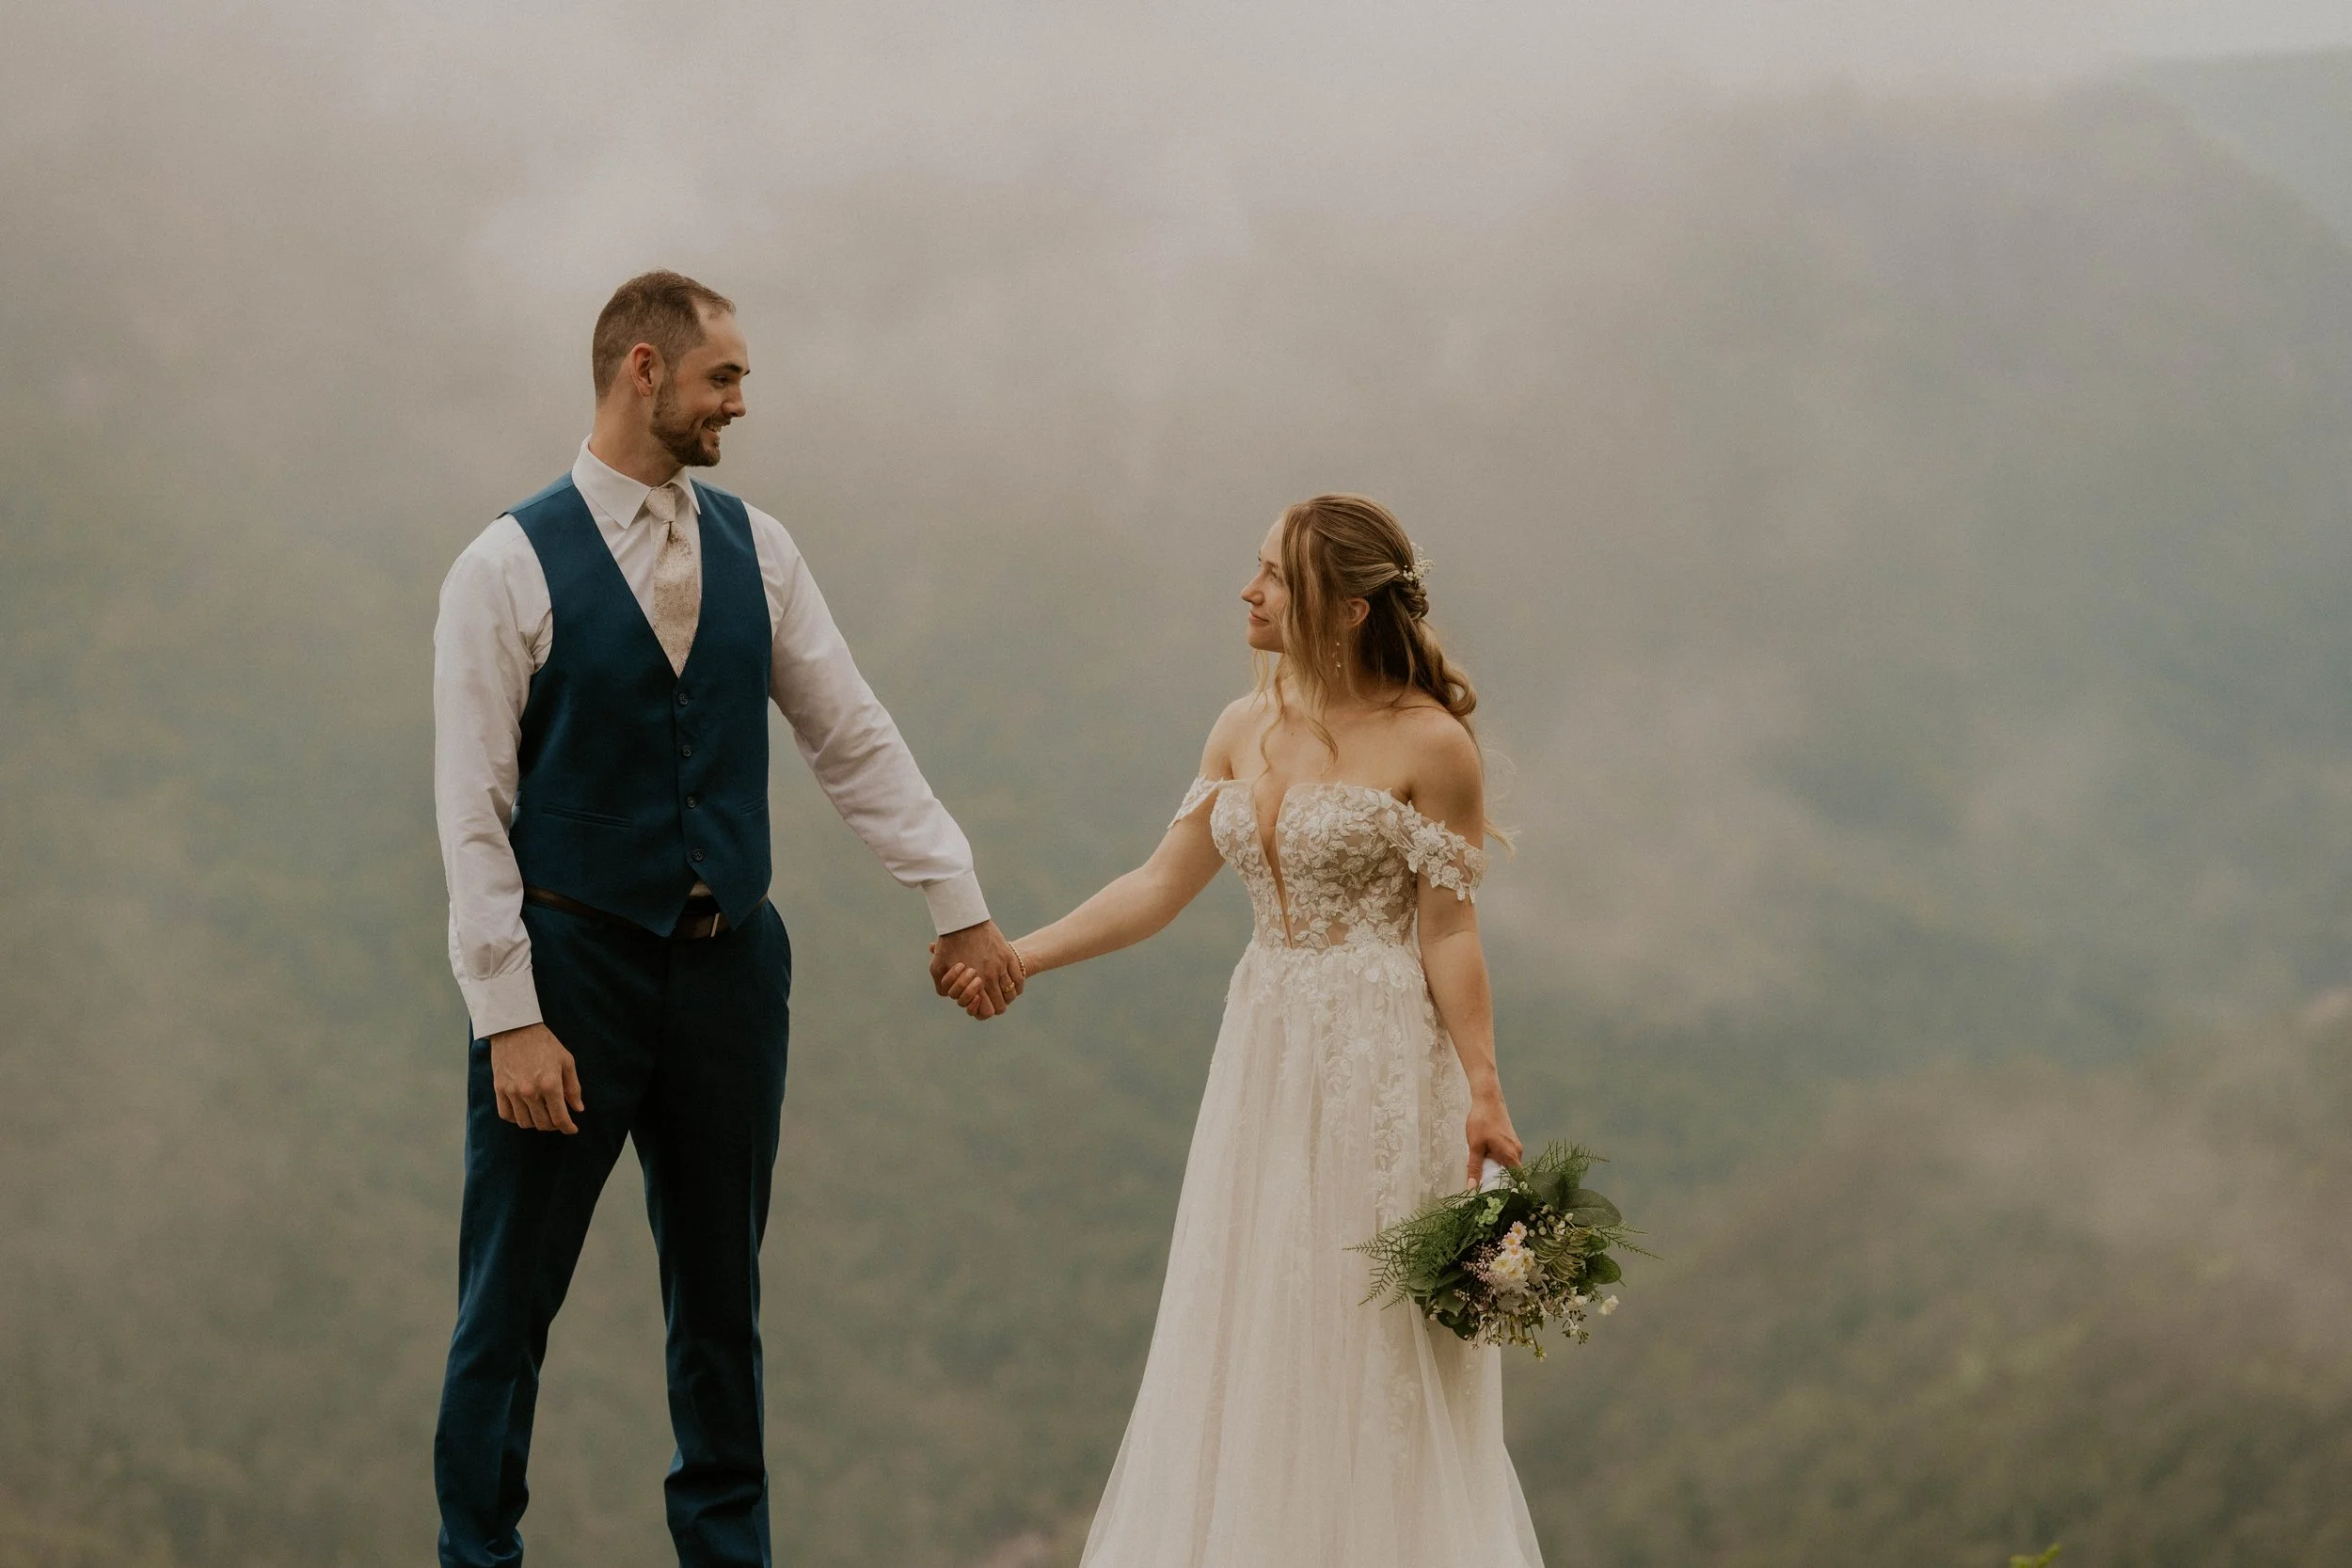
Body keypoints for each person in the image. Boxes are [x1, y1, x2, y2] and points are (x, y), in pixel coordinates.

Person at [429, 270, 1024, 1568]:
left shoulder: (764, 547)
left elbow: (849, 734)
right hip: (567, 974)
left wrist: (955, 896)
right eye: (724, 377)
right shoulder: (502, 565)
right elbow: (472, 810)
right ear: (643, 369)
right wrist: (508, 1014)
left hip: (730, 971)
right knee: (508, 1302)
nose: (741, 402)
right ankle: (477, 1555)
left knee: (719, 1304)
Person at [942, 494, 1544, 1566]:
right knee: (1254, 1305)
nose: (1248, 590)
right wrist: (1016, 955)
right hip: (1264, 1048)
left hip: (1381, 1063)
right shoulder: (1240, 724)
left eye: (1274, 574)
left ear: (1347, 608)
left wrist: (1485, 1088)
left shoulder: (1433, 743)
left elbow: (1450, 930)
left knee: (1363, 1328)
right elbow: (1157, 885)